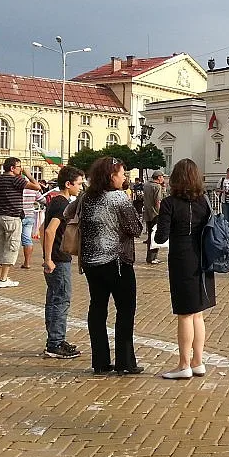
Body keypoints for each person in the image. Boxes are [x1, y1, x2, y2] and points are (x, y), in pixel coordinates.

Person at [75, 157, 144, 375]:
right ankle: (125, 361)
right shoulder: (118, 198)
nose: (124, 178)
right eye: (122, 174)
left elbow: (70, 215)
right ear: (111, 176)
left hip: (91, 261)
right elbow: (136, 228)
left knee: (97, 308)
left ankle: (101, 361)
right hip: (116, 262)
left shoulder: (87, 197)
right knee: (125, 310)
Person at [155, 159, 216, 380]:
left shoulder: (170, 203)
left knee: (184, 314)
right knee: (198, 314)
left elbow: (161, 236)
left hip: (182, 258)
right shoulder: (204, 201)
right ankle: (198, 361)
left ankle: (183, 364)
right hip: (203, 258)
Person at [41, 165, 84, 358]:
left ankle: (55, 339)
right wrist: (48, 258)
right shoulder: (61, 203)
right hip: (58, 259)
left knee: (54, 299)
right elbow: (49, 230)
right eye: (78, 184)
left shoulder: (56, 201)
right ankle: (55, 343)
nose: (80, 188)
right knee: (61, 299)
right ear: (68, 184)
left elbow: (43, 228)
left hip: (56, 257)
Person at [0, 157, 43, 288]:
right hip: (12, 217)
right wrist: (28, 174)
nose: (21, 169)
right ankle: (4, 279)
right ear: (12, 168)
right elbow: (37, 187)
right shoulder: (16, 179)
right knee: (11, 246)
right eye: (19, 167)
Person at [142, 170, 166, 265]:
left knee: (150, 236)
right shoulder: (157, 187)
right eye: (162, 177)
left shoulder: (147, 185)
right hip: (155, 214)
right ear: (159, 177)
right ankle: (152, 257)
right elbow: (158, 201)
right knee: (155, 236)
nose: (163, 179)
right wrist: (161, 213)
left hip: (147, 213)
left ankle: (149, 257)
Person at [19, 187, 40, 269]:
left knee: (10, 238)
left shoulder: (18, 189)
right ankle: (27, 263)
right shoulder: (33, 190)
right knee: (27, 239)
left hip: (18, 216)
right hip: (30, 216)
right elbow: (43, 200)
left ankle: (5, 263)